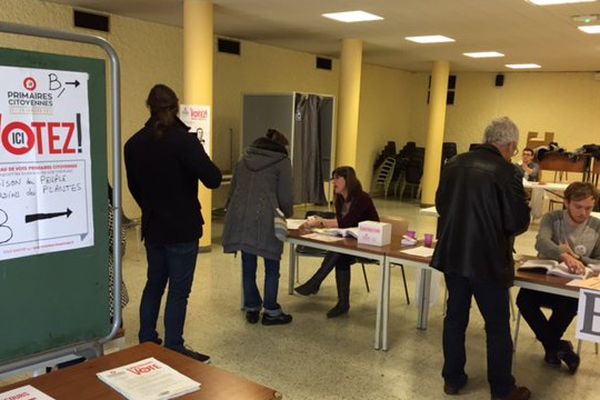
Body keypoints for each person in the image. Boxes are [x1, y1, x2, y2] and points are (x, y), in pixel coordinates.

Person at [432, 117, 531, 400]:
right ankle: (502, 388)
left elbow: (441, 205)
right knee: (497, 326)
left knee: (454, 318)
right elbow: (516, 222)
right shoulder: (507, 171)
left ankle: (452, 379)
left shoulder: (454, 163)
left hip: (453, 254)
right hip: (488, 260)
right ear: (511, 146)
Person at [124, 84, 222, 363]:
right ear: (176, 106)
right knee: (179, 290)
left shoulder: (133, 144)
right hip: (183, 228)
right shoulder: (184, 141)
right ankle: (174, 347)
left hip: (154, 226)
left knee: (154, 283)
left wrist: (152, 208)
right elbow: (213, 178)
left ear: (149, 106)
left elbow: (134, 187)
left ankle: (146, 340)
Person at [516, 182, 600, 374]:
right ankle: (559, 347)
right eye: (578, 207)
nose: (583, 213)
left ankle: (552, 347)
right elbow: (541, 242)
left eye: (589, 208)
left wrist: (579, 258)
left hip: (575, 286)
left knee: (570, 305)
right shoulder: (552, 218)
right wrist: (562, 255)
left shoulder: (597, 226)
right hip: (546, 279)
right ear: (566, 203)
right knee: (524, 300)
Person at [222, 129, 294, 325]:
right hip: (268, 217)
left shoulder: (243, 159)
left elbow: (234, 188)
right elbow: (286, 195)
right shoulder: (282, 161)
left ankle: (252, 307)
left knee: (248, 265)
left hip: (242, 217)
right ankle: (271, 310)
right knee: (272, 266)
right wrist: (287, 214)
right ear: (281, 146)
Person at [294, 166, 379, 318]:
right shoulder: (339, 199)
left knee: (339, 251)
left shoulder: (362, 198)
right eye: (333, 178)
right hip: (349, 240)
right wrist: (320, 224)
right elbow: (342, 223)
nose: (334, 182)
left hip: (369, 243)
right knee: (340, 255)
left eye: (337, 178)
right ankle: (342, 303)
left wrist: (322, 222)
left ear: (348, 181)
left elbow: (347, 222)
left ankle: (316, 283)